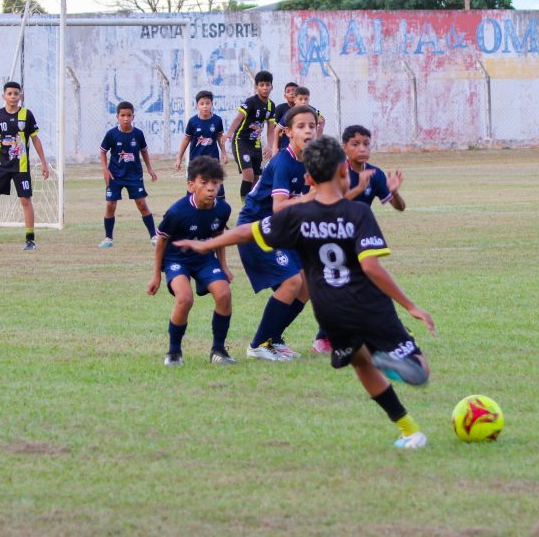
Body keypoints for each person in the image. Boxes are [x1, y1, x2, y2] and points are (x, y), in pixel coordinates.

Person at [175, 135, 437, 449]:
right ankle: (389, 366)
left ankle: (409, 431)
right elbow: (371, 268)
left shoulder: (297, 215)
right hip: (368, 304)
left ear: (309, 178)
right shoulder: (358, 214)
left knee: (360, 364)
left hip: (330, 310)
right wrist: (410, 306)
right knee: (420, 370)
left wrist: (207, 243)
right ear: (344, 170)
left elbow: (248, 231)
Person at [235, 105, 318, 361]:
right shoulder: (283, 162)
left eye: (312, 126)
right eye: (301, 126)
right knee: (292, 282)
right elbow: (279, 207)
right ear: (288, 133)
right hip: (255, 228)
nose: (307, 131)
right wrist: (311, 198)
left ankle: (275, 338)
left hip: (280, 230)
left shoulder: (312, 162)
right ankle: (258, 344)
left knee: (307, 284)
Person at [148, 156, 234, 366]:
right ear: (191, 185)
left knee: (224, 294)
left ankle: (218, 350)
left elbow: (218, 236)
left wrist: (223, 266)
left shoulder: (223, 209)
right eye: (204, 183)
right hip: (177, 259)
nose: (211, 188)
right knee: (185, 298)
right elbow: (161, 242)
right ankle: (174, 352)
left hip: (205, 259)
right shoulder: (178, 212)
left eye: (215, 183)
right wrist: (156, 276)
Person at [0, 82, 50, 252]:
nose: (13, 96)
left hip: (20, 166)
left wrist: (44, 163)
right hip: (1, 166)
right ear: (4, 96)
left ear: (20, 96)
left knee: (25, 200)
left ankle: (30, 240)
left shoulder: (26, 115)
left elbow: (35, 139)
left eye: (16, 93)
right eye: (10, 93)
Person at [98, 101, 158, 248]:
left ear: (133, 116)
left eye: (128, 115)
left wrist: (149, 168)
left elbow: (144, 150)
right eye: (123, 115)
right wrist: (105, 169)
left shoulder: (138, 134)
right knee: (110, 205)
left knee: (142, 204)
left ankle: (154, 236)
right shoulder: (111, 134)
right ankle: (108, 238)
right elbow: (103, 151)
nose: (126, 118)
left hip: (134, 176)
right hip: (115, 176)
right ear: (117, 116)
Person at [225, 70, 276, 201]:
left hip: (256, 144)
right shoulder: (250, 102)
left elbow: (271, 130)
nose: (265, 88)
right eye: (261, 85)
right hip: (241, 141)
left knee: (257, 178)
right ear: (256, 87)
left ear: (272, 87)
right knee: (248, 174)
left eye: (267, 85)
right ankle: (244, 207)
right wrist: (229, 133)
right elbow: (238, 118)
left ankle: (252, 205)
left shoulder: (271, 106)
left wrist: (270, 146)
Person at [174, 90, 228, 198]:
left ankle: (220, 211)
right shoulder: (193, 121)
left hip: (213, 160)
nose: (205, 106)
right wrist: (179, 157)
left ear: (212, 104)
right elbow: (186, 139)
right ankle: (190, 211)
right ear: (197, 105)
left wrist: (224, 153)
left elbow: (219, 137)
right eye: (202, 104)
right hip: (196, 161)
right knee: (193, 190)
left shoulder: (217, 120)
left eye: (207, 103)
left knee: (218, 189)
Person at [341, 125, 405, 211]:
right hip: (336, 224)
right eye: (355, 144)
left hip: (362, 223)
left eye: (366, 144)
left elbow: (400, 207)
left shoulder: (376, 174)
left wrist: (394, 193)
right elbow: (332, 205)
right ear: (344, 148)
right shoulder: (336, 173)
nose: (362, 149)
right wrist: (360, 188)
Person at [276, 87, 326, 151]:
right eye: (300, 99)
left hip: (306, 148)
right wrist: (275, 148)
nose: (303, 102)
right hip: (289, 147)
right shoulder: (289, 114)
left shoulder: (313, 111)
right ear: (295, 100)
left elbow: (322, 120)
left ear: (309, 99)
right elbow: (276, 130)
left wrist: (319, 132)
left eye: (306, 99)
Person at [270, 81, 298, 151]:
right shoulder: (279, 108)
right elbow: (273, 129)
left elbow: (321, 120)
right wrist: (280, 134)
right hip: (284, 145)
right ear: (285, 96)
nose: (291, 93)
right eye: (288, 91)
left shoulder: (305, 108)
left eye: (294, 91)